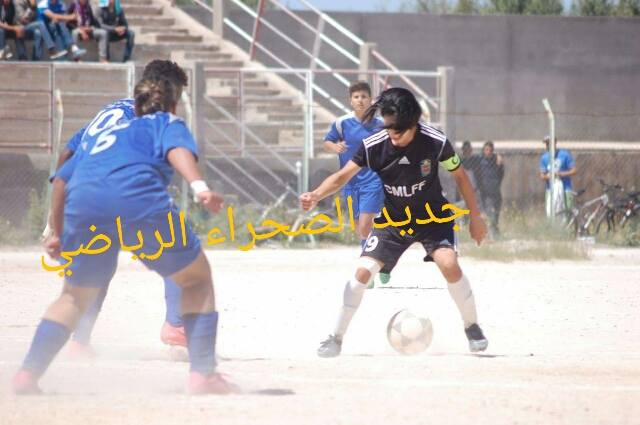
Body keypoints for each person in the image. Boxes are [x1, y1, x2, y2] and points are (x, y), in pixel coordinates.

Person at [13, 76, 237, 395]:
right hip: (137, 200)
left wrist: (56, 229)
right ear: (172, 101)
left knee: (75, 294)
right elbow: (176, 148)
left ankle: (31, 372)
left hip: (84, 202)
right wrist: (200, 188)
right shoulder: (162, 121)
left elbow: (63, 171)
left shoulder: (104, 129)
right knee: (192, 276)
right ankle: (197, 364)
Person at [300, 87, 489, 358]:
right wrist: (316, 194)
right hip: (393, 220)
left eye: (398, 129)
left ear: (413, 123)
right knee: (363, 272)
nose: (392, 134)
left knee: (449, 264)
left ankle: (472, 328)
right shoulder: (374, 145)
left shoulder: (435, 141)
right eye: (388, 127)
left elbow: (460, 176)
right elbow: (342, 176)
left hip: (432, 217)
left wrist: (475, 217)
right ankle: (335, 338)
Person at [54, 60, 190, 358]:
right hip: (122, 193)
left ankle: (79, 340)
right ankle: (176, 326)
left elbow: (68, 150)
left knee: (98, 264)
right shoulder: (153, 116)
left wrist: (55, 218)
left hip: (83, 196)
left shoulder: (112, 109)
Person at [323, 81, 389, 284]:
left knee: (365, 226)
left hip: (373, 180)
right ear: (350, 101)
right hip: (350, 182)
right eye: (356, 97)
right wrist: (335, 147)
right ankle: (384, 259)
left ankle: (367, 271)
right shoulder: (342, 123)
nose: (360, 100)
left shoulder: (381, 125)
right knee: (358, 227)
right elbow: (327, 142)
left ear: (371, 100)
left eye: (364, 97)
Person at [539, 135, 577, 217]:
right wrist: (549, 176)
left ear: (555, 143)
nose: (548, 146)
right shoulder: (544, 158)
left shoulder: (565, 155)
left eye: (549, 143)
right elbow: (542, 175)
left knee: (567, 213)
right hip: (550, 190)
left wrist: (561, 174)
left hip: (566, 189)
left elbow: (574, 170)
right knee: (551, 213)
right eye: (547, 144)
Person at [476, 141, 504, 236]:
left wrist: (499, 161)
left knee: (496, 212)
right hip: (485, 192)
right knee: (489, 212)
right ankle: (490, 233)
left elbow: (501, 174)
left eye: (490, 150)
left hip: (495, 190)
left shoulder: (496, 160)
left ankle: (495, 230)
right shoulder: (479, 160)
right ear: (483, 150)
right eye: (486, 150)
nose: (488, 152)